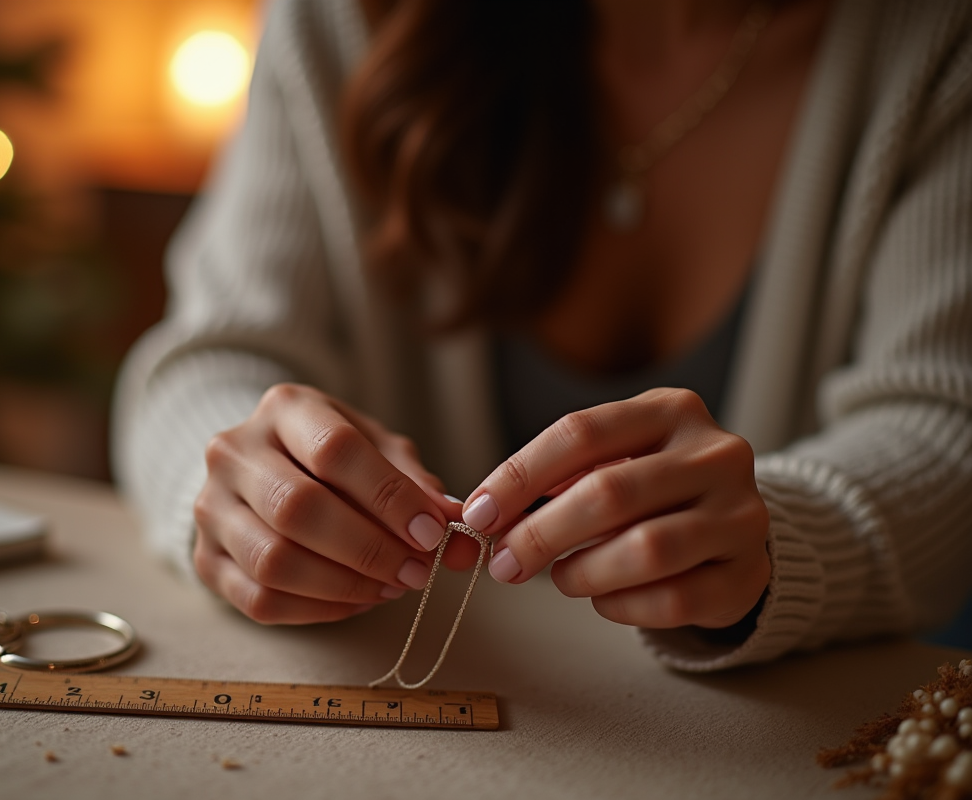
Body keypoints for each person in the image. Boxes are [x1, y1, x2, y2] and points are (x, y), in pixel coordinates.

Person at [113, 0, 972, 671]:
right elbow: (208, 361)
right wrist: (236, 492)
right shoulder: (345, 18)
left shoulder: (932, 36)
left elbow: (946, 431)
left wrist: (781, 542)